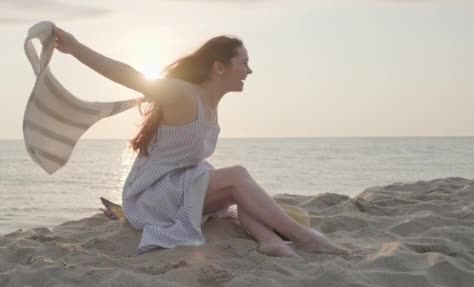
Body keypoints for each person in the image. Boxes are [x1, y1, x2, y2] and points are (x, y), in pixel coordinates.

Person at [53, 26, 348, 257]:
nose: (249, 70)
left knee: (242, 191)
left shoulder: (211, 104)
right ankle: (305, 238)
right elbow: (130, 75)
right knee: (238, 177)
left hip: (177, 186)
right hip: (149, 195)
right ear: (219, 67)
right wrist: (75, 47)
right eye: (244, 62)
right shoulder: (183, 94)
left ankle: (270, 240)